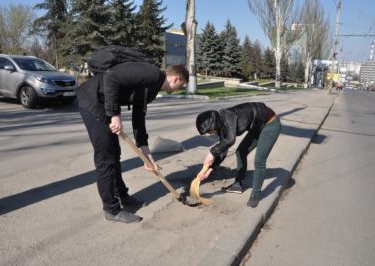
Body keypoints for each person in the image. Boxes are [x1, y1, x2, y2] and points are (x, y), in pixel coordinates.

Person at [77, 62, 189, 223]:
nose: (180, 88)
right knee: (106, 159)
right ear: (176, 78)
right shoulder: (153, 75)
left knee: (115, 153)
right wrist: (115, 114)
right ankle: (111, 210)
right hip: (93, 101)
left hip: (104, 104)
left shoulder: (153, 88)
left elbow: (139, 117)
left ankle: (122, 195)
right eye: (182, 85)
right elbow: (112, 79)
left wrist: (146, 152)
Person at [195, 102, 281, 208]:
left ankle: (256, 194)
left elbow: (230, 140)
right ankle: (238, 184)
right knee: (241, 152)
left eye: (209, 131)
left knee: (259, 161)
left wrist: (211, 153)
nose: (210, 134)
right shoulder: (221, 125)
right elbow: (224, 148)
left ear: (213, 125)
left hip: (270, 125)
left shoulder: (227, 116)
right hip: (257, 127)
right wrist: (210, 168)